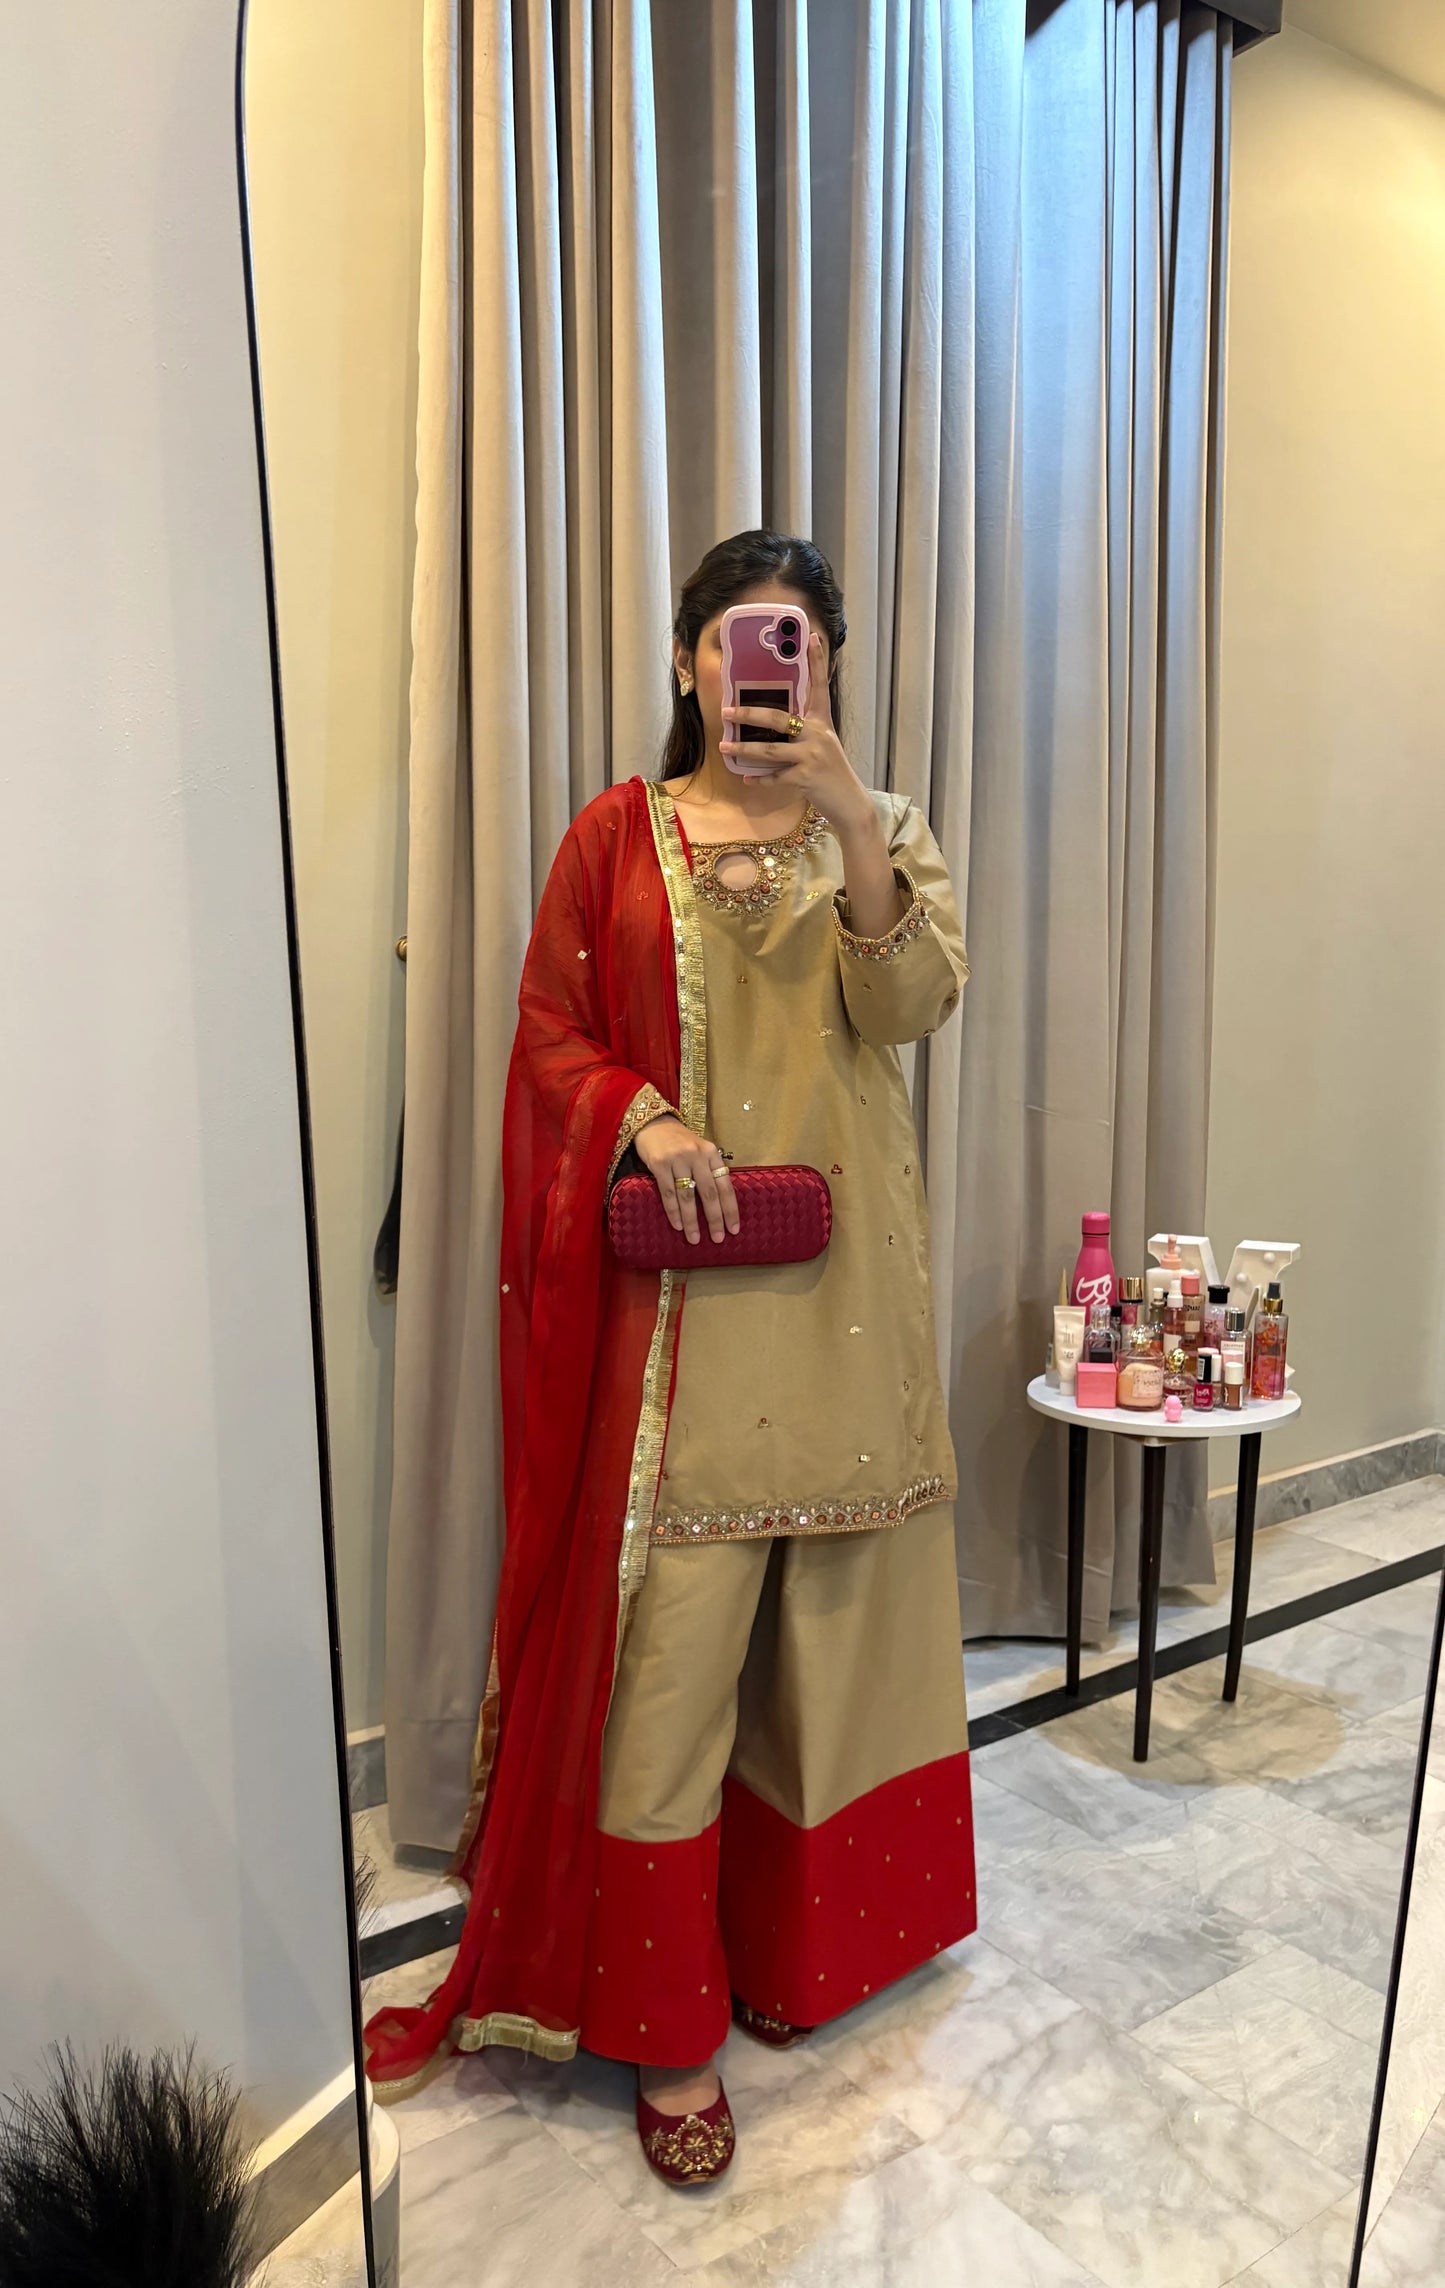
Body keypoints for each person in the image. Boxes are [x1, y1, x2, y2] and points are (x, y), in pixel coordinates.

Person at [363, 530, 976, 2187]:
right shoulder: (611, 840)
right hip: (680, 1343)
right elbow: (546, 1036)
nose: (761, 674)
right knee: (672, 1687)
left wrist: (851, 816)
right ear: (691, 664)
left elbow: (909, 1006)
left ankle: (810, 1962)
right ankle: (661, 2035)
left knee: (840, 1670)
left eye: (795, 648)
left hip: (850, 1317)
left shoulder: (887, 832)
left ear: (823, 672)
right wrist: (639, 1118)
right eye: (731, 642)